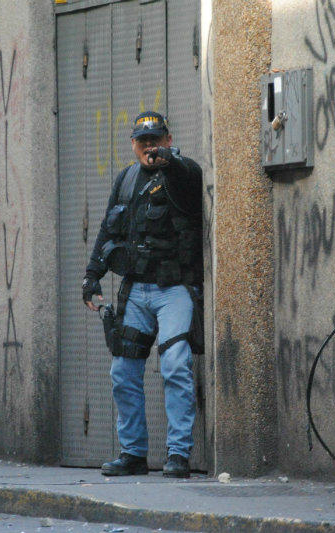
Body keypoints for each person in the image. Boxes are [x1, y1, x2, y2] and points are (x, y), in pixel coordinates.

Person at [82, 111, 203, 478]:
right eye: (142, 141)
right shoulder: (126, 179)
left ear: (168, 140)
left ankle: (178, 454)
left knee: (174, 366)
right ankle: (133, 455)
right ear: (133, 145)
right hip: (136, 289)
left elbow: (189, 177)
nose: (149, 146)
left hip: (174, 289)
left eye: (156, 139)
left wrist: (171, 162)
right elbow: (107, 230)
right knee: (123, 371)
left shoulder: (182, 172)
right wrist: (92, 277)